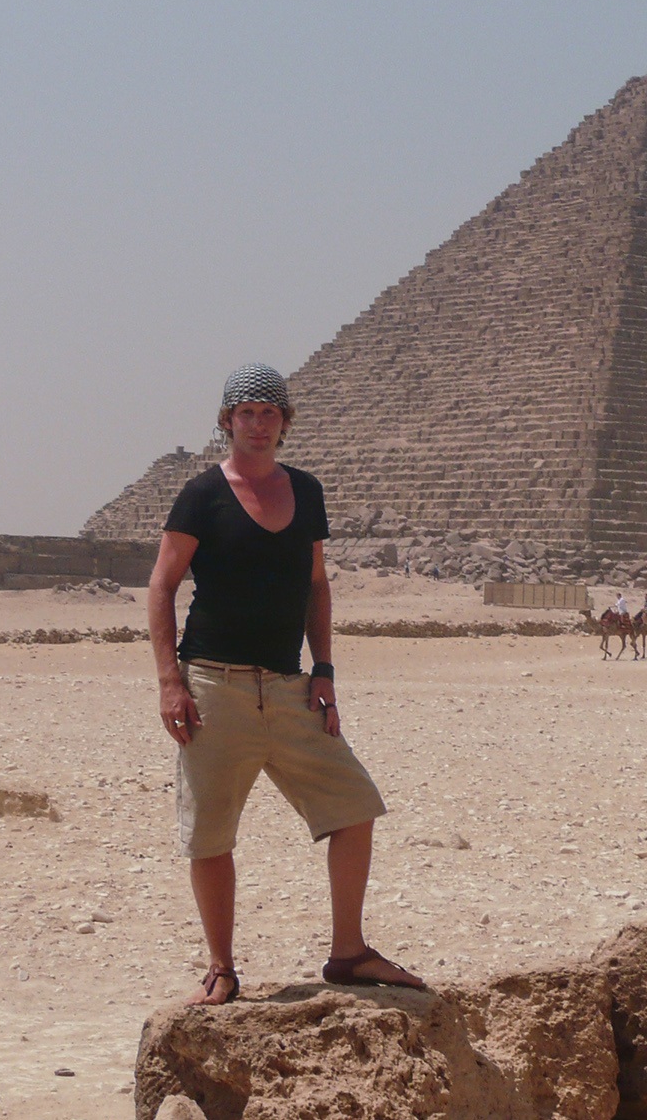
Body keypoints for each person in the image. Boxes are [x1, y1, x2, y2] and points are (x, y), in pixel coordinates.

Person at [147, 363, 422, 1006]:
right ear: (226, 421)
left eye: (270, 412)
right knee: (211, 833)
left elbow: (317, 585)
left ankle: (349, 952)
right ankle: (221, 968)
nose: (259, 422)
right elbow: (161, 586)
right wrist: (170, 681)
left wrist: (324, 669)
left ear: (285, 422)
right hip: (215, 688)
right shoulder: (200, 494)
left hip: (292, 686)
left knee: (355, 805)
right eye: (246, 411)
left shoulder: (307, 491)